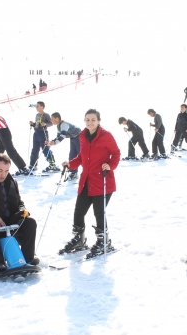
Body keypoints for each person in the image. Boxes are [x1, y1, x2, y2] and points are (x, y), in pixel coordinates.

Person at [61, 109, 121, 256]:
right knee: (79, 211)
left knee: (99, 212)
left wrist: (110, 165)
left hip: (103, 181)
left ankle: (104, 241)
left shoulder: (106, 136)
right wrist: (70, 164)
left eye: (93, 119)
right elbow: (82, 157)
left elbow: (116, 153)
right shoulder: (82, 136)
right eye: (87, 119)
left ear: (99, 121)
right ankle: (79, 239)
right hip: (86, 181)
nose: (90, 122)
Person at [0, 108, 29, 175]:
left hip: (3, 135)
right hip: (5, 134)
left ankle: (22, 167)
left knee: (11, 151)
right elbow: (0, 128)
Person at [47, 112, 81, 179]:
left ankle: (89, 172)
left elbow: (63, 136)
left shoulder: (64, 124)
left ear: (57, 118)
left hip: (79, 137)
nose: (51, 120)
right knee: (72, 155)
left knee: (81, 155)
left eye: (52, 119)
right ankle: (73, 172)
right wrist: (52, 141)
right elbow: (58, 136)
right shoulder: (59, 126)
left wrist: (55, 143)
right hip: (73, 138)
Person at [28, 101, 58, 172]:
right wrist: (33, 124)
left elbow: (51, 123)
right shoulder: (37, 115)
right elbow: (37, 124)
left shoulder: (46, 115)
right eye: (36, 106)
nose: (37, 108)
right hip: (36, 133)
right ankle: (33, 164)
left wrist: (45, 124)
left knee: (45, 148)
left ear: (42, 107)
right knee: (35, 149)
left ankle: (52, 163)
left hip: (43, 133)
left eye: (38, 106)